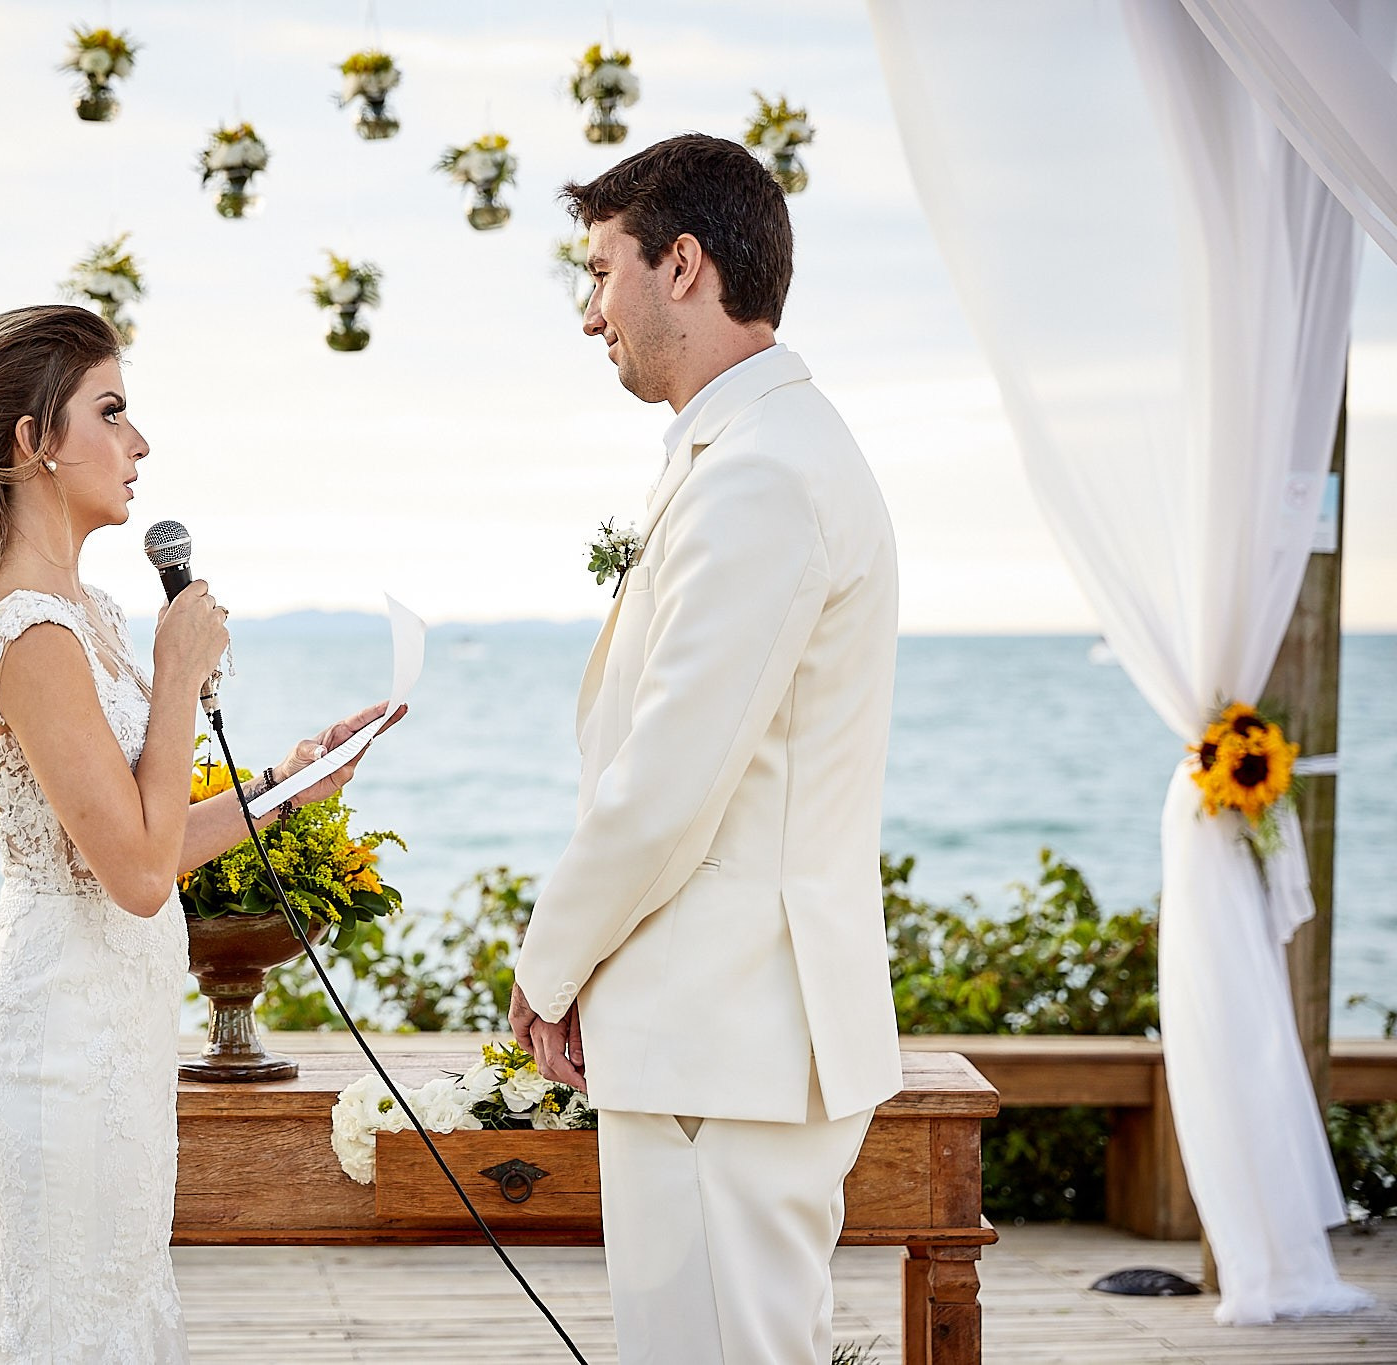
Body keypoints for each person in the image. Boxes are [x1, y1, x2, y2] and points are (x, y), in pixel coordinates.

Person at [0, 304, 396, 1363]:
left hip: (109, 1048)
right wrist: (180, 674)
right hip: (52, 1055)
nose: (140, 443)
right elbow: (135, 877)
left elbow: (149, 839)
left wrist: (290, 783)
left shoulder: (85, 610)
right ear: (33, 444)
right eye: (112, 411)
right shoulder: (29, 629)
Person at [508, 135, 903, 1364]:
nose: (588, 315)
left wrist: (547, 964)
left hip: (722, 1036)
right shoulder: (752, 452)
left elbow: (669, 781)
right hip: (722, 1036)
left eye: (599, 272)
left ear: (680, 266)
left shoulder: (764, 476)